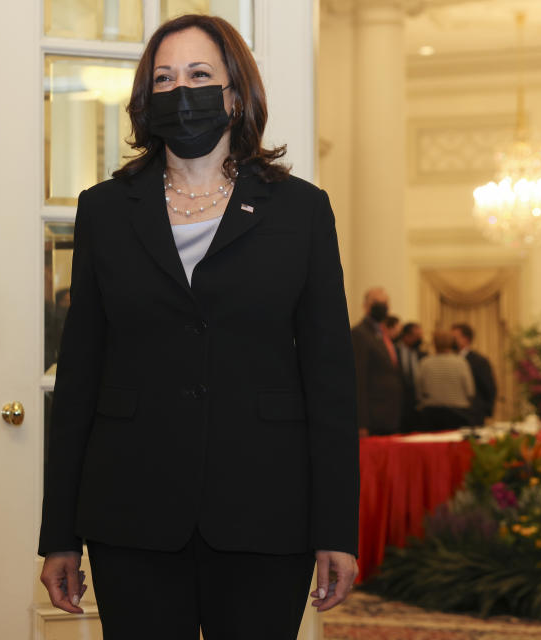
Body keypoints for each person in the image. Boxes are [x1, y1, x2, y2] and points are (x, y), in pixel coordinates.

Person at [37, 15, 359, 640]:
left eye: (199, 75)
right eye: (164, 78)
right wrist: (59, 537)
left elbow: (330, 382)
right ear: (145, 98)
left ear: (235, 94)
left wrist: (336, 530)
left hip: (267, 510)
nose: (181, 90)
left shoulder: (301, 210)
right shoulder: (104, 209)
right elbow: (79, 379)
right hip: (132, 511)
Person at [351, 287, 403, 436]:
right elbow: (359, 379)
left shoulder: (382, 334)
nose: (383, 305)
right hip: (373, 418)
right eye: (377, 302)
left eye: (385, 302)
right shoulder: (359, 333)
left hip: (390, 416)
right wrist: (362, 423)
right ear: (366, 305)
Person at [416, 330, 475, 430]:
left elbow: (419, 391)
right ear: (452, 343)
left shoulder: (425, 363)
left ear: (434, 343)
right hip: (458, 414)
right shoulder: (461, 363)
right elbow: (470, 391)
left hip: (431, 414)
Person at [451, 322, 498, 424]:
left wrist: (485, 410)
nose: (451, 341)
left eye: (454, 338)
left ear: (466, 339)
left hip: (473, 414)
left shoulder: (479, 361)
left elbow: (489, 387)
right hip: (453, 414)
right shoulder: (449, 360)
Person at [396, 322, 425, 432]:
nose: (420, 339)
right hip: (399, 403)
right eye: (417, 336)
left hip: (416, 404)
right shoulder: (394, 351)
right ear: (406, 336)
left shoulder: (422, 355)